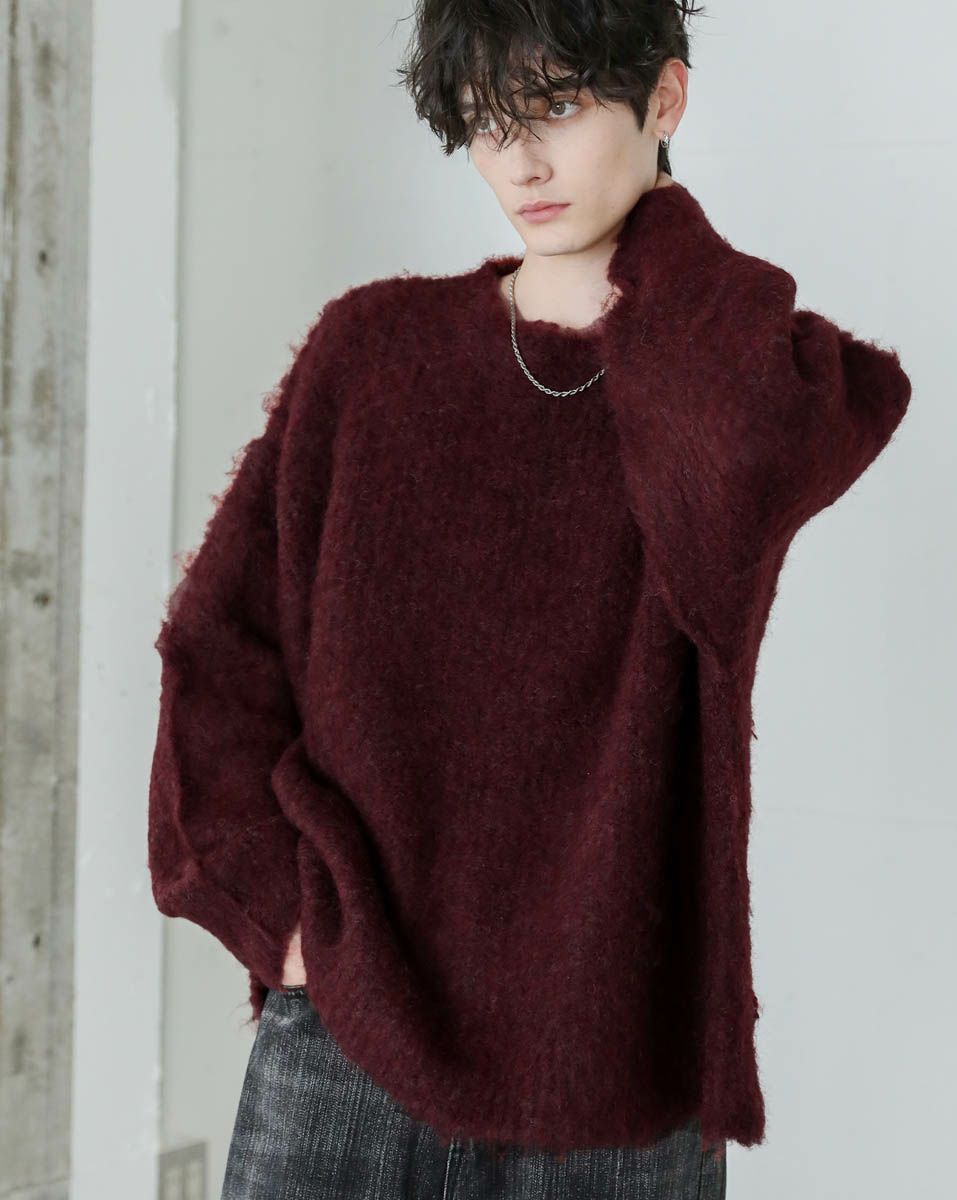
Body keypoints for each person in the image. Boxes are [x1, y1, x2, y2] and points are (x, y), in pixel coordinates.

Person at [147, 3, 911, 1197]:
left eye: (556, 108)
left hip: (617, 1079)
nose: (521, 163)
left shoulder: (734, 368)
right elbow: (218, 647)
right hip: (348, 1050)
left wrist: (662, 231)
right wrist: (286, 925)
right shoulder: (371, 355)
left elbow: (745, 464)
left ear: (664, 98)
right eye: (487, 122)